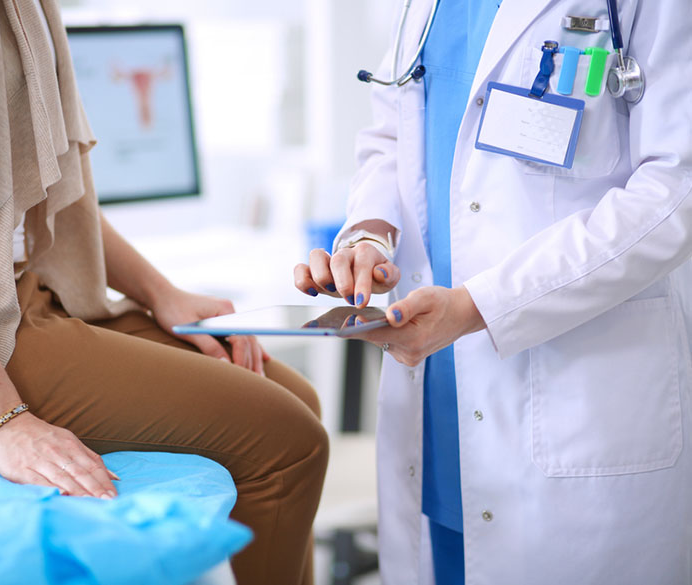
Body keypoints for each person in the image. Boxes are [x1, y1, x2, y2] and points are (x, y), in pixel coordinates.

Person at [0, 2, 328, 584]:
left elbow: (40, 181)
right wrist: (2, 421)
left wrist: (160, 291)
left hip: (8, 294)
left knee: (292, 398)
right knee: (286, 440)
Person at [295, 0, 691, 583]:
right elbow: (393, 131)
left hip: (576, 407)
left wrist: (482, 305)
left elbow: (675, 188)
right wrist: (370, 234)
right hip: (438, 408)